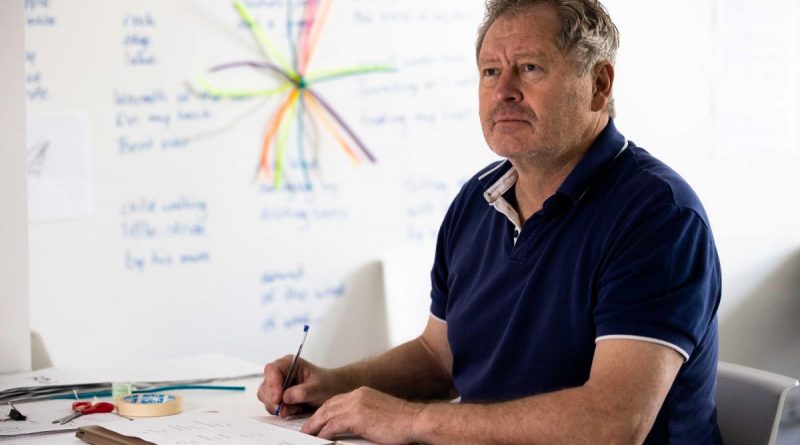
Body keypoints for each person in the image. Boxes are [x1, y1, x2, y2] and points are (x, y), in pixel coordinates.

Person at [258, 0, 723, 443]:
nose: (504, 92)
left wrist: (412, 419)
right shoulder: (476, 201)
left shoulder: (659, 217)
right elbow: (439, 359)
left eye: (530, 68)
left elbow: (611, 425)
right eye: (490, 71)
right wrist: (333, 383)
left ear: (599, 85)